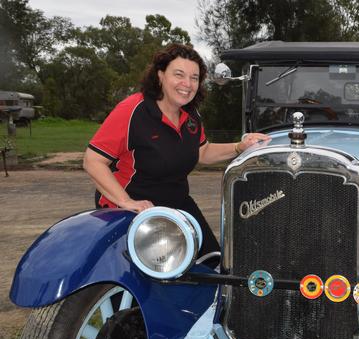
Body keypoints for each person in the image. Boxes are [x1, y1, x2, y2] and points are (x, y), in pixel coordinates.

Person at [83, 43, 270, 257]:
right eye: (179, 74)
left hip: (177, 205)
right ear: (160, 75)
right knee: (152, 278)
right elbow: (93, 161)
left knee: (211, 262)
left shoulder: (191, 116)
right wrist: (126, 202)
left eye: (194, 77)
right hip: (134, 209)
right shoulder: (132, 110)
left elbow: (203, 152)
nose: (187, 84)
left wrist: (240, 146)